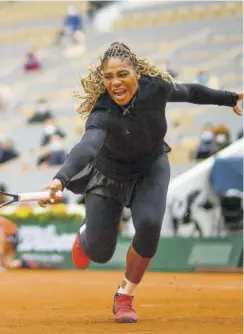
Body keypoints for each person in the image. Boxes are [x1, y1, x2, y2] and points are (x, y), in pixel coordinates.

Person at [39, 41, 242, 324]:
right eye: (108, 77)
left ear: (137, 72)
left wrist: (229, 97)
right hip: (109, 174)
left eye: (122, 74)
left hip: (151, 168)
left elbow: (190, 92)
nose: (115, 83)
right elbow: (87, 146)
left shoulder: (155, 87)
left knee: (148, 225)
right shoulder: (102, 111)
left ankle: (125, 295)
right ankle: (85, 235)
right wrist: (60, 178)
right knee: (99, 253)